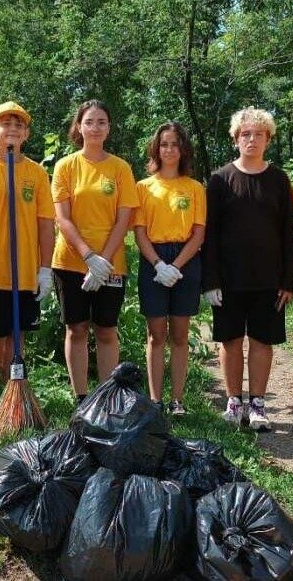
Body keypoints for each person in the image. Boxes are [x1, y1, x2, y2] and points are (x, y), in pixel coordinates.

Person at [203, 107, 293, 431]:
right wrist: (210, 280)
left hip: (269, 280)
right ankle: (234, 402)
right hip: (228, 280)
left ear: (268, 139)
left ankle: (257, 404)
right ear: (235, 139)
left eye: (259, 134)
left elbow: (289, 231)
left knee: (261, 341)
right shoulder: (219, 180)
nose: (252, 139)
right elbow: (210, 233)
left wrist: (289, 280)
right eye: (246, 134)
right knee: (230, 341)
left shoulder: (279, 180)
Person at [0, 102, 55, 415]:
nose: (12, 129)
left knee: (15, 339)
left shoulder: (36, 173)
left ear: (26, 134)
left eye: (19, 125)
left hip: (26, 274)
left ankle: (13, 398)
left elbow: (46, 225)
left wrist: (45, 271)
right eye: (6, 124)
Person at [51, 99, 139, 403]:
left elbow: (123, 218)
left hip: (111, 263)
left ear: (109, 128)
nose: (95, 127)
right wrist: (88, 256)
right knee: (76, 328)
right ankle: (80, 397)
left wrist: (103, 261)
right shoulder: (66, 166)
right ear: (79, 127)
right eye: (90, 122)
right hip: (71, 261)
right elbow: (62, 218)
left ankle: (107, 396)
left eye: (102, 122)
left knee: (106, 329)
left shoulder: (120, 168)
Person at [134, 122, 206, 415]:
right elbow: (138, 231)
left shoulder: (194, 188)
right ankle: (155, 400)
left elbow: (199, 233)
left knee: (179, 333)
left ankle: (177, 400)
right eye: (164, 144)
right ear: (156, 148)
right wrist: (158, 264)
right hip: (153, 258)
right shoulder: (143, 187)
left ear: (183, 149)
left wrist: (175, 266)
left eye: (175, 144)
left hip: (186, 260)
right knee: (155, 334)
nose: (169, 150)